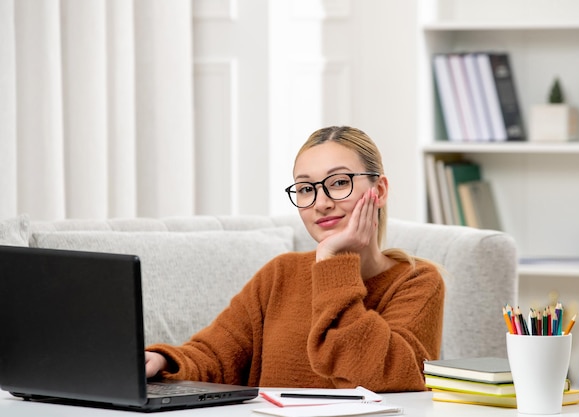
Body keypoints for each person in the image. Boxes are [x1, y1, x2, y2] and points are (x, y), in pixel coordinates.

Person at [145, 126, 445, 392]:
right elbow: (215, 356)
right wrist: (162, 360)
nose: (322, 203)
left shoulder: (418, 281)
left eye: (339, 182)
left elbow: (379, 377)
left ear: (378, 190)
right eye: (305, 189)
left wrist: (332, 262)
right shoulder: (281, 273)